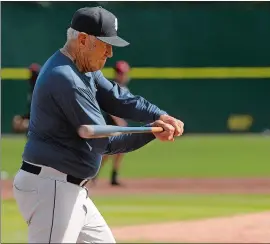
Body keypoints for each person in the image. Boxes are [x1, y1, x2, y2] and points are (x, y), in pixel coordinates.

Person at [12, 6, 184, 244]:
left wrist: (158, 115)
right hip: (52, 189)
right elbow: (105, 143)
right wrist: (151, 132)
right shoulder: (65, 78)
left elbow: (117, 98)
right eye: (106, 44)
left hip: (70, 190)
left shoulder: (83, 68)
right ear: (83, 40)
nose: (110, 53)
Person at [93, 60, 131, 186]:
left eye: (124, 73)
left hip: (119, 124)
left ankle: (114, 176)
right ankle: (94, 174)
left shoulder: (124, 88)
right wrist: (119, 121)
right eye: (120, 73)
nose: (122, 75)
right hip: (110, 124)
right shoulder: (112, 86)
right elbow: (109, 108)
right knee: (107, 153)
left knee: (121, 151)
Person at [12, 63, 41, 134]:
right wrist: (23, 117)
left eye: (33, 74)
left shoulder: (41, 90)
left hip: (40, 119)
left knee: (24, 124)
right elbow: (30, 111)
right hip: (32, 116)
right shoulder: (32, 90)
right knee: (16, 120)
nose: (32, 76)